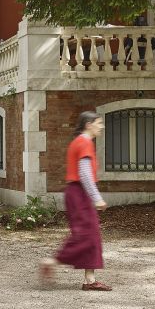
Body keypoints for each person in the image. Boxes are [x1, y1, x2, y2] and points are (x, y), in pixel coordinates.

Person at [41, 111, 110, 291]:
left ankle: (90, 280)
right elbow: (85, 174)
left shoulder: (80, 142)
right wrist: (97, 198)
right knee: (85, 235)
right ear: (89, 124)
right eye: (99, 123)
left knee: (91, 234)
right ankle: (52, 261)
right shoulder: (84, 143)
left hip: (78, 192)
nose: (101, 126)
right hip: (79, 193)